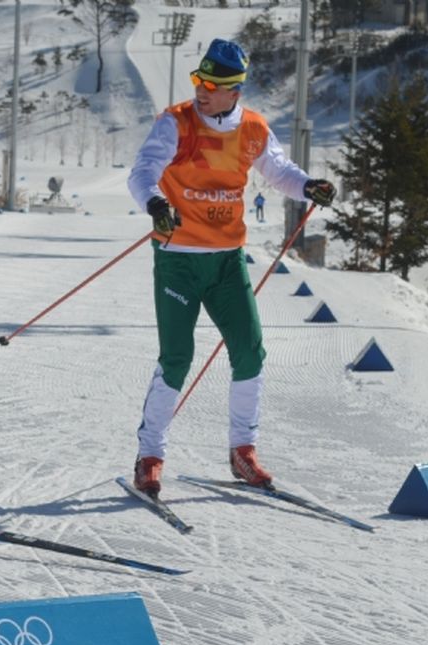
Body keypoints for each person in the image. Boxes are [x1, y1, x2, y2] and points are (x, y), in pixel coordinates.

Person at [126, 39, 335, 495]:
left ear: (234, 90)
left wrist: (309, 186)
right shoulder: (176, 123)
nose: (201, 90)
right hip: (179, 260)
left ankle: (243, 451)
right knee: (176, 359)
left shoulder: (254, 129)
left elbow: (279, 171)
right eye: (198, 80)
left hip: (226, 262)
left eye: (212, 84)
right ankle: (150, 456)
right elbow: (142, 172)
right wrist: (155, 202)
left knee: (250, 352)